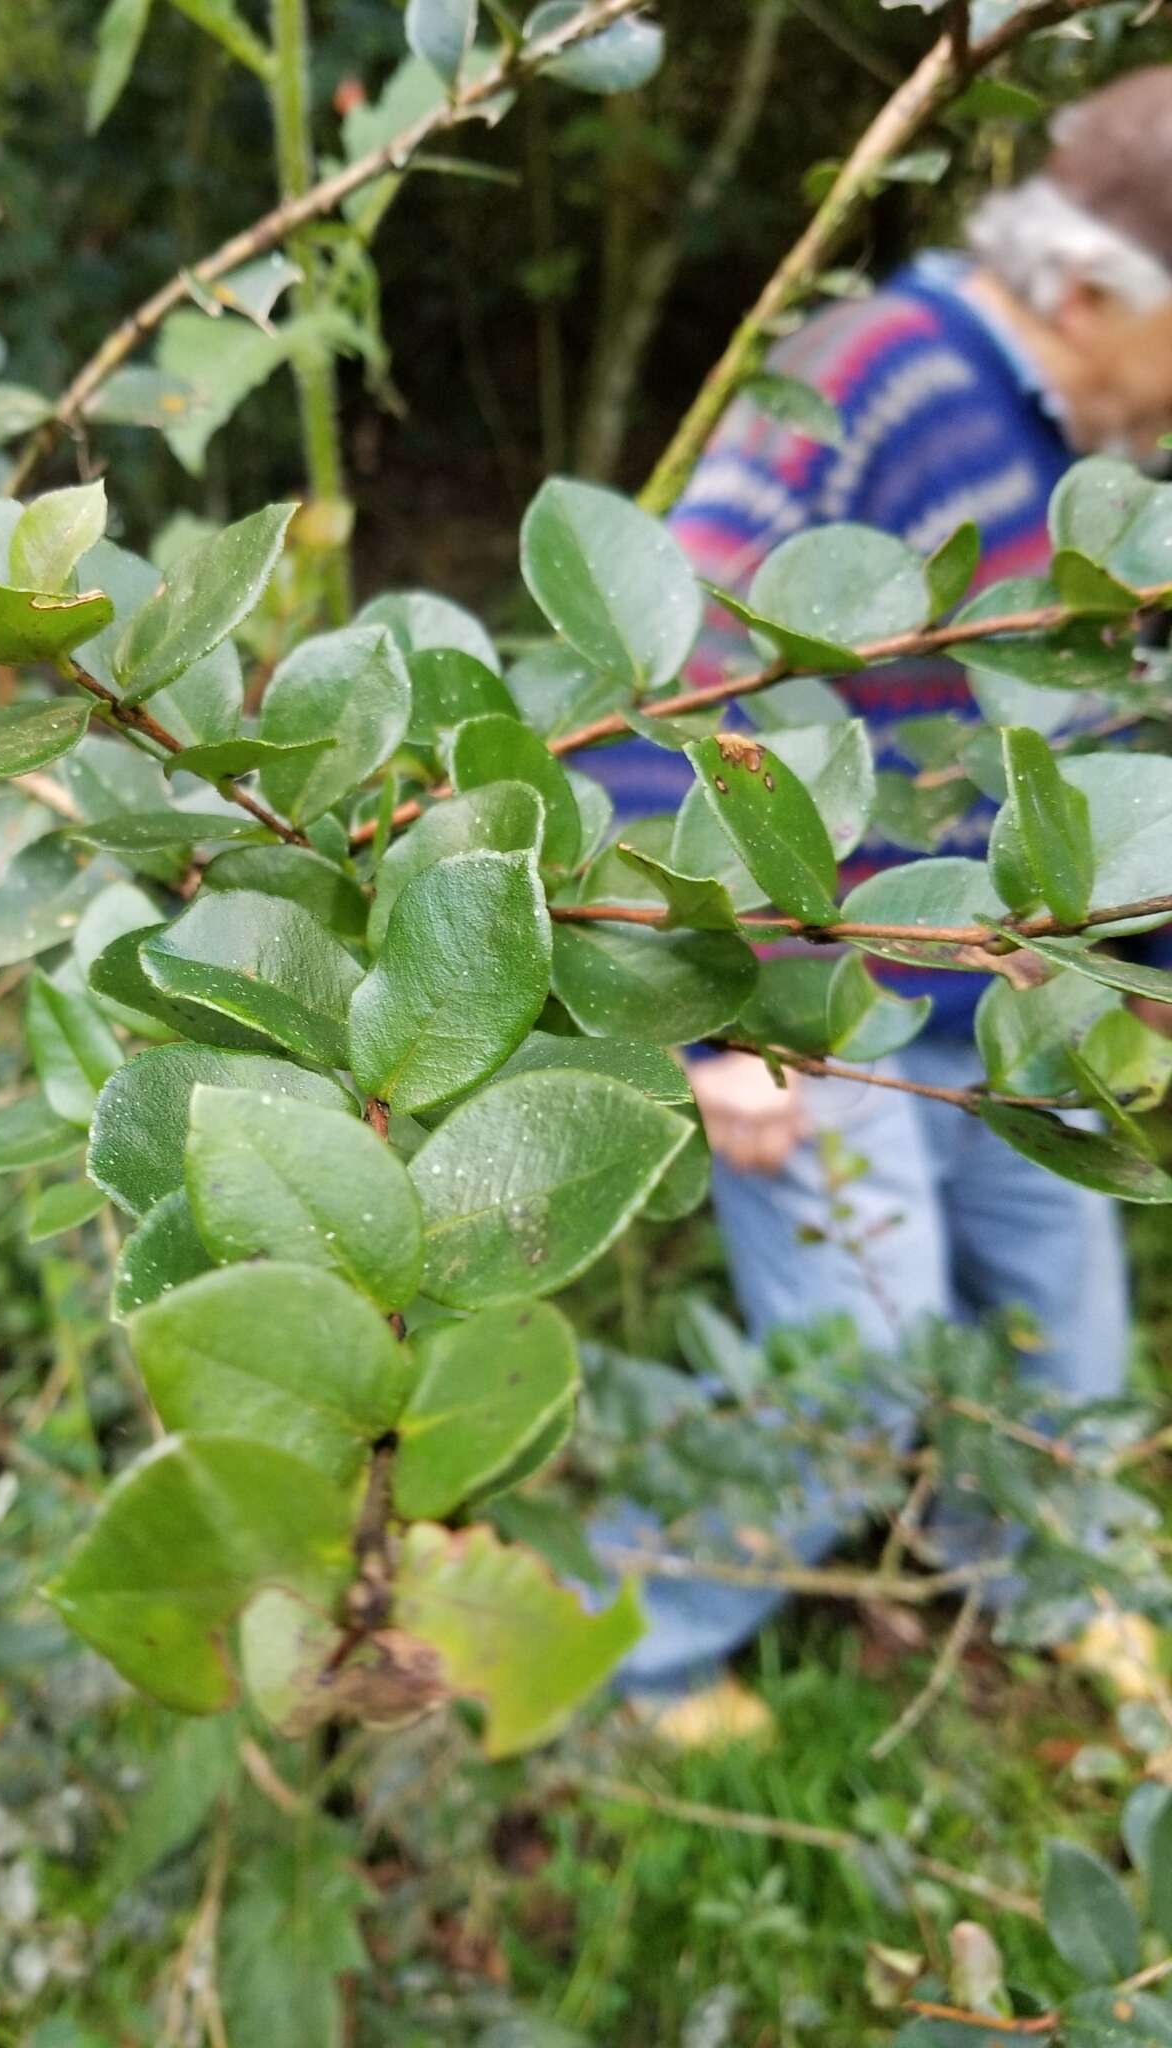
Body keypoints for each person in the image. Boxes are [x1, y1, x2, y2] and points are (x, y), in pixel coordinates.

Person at [582, 66, 1172, 1741]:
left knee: (1066, 1295)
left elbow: (1116, 735)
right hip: (825, 990)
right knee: (868, 1344)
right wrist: (721, 1006)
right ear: (1087, 290)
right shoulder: (870, 379)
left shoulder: (1105, 466)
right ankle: (641, 1634)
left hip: (1013, 975)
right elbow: (669, 672)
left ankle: (1044, 1571)